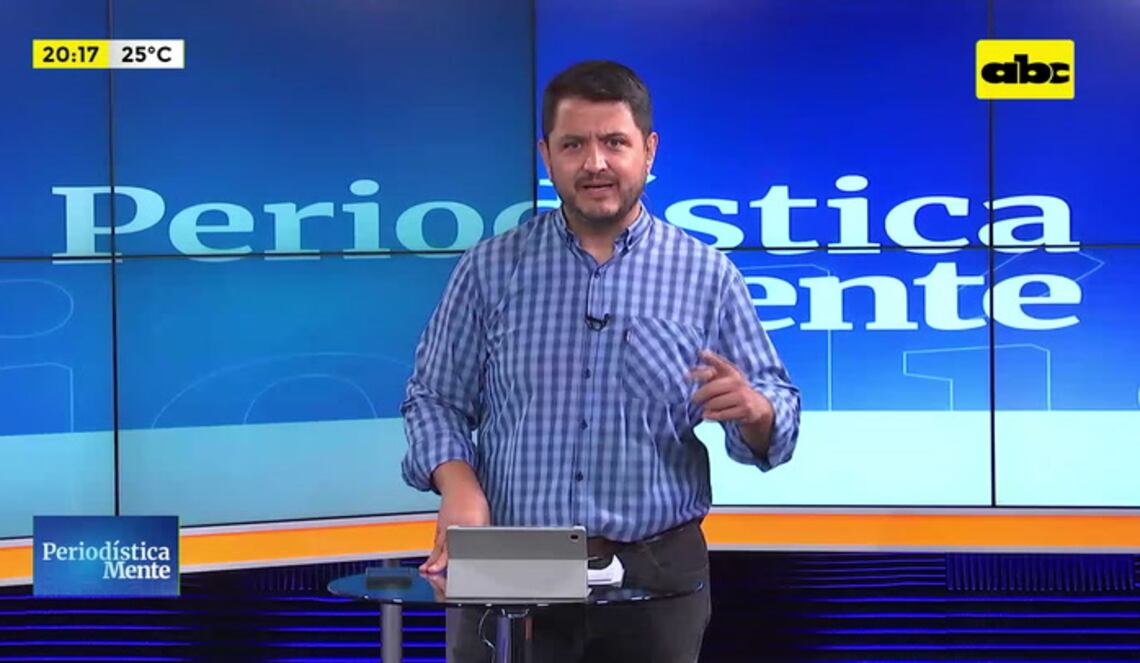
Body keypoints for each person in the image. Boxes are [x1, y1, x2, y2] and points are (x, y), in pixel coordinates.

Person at [400, 59, 801, 663]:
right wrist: (460, 488)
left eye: (614, 142)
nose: (595, 163)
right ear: (546, 155)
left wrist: (755, 410)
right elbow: (433, 399)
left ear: (648, 150)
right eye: (573, 145)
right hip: (511, 560)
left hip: (655, 573)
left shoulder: (706, 275)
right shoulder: (490, 268)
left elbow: (779, 418)